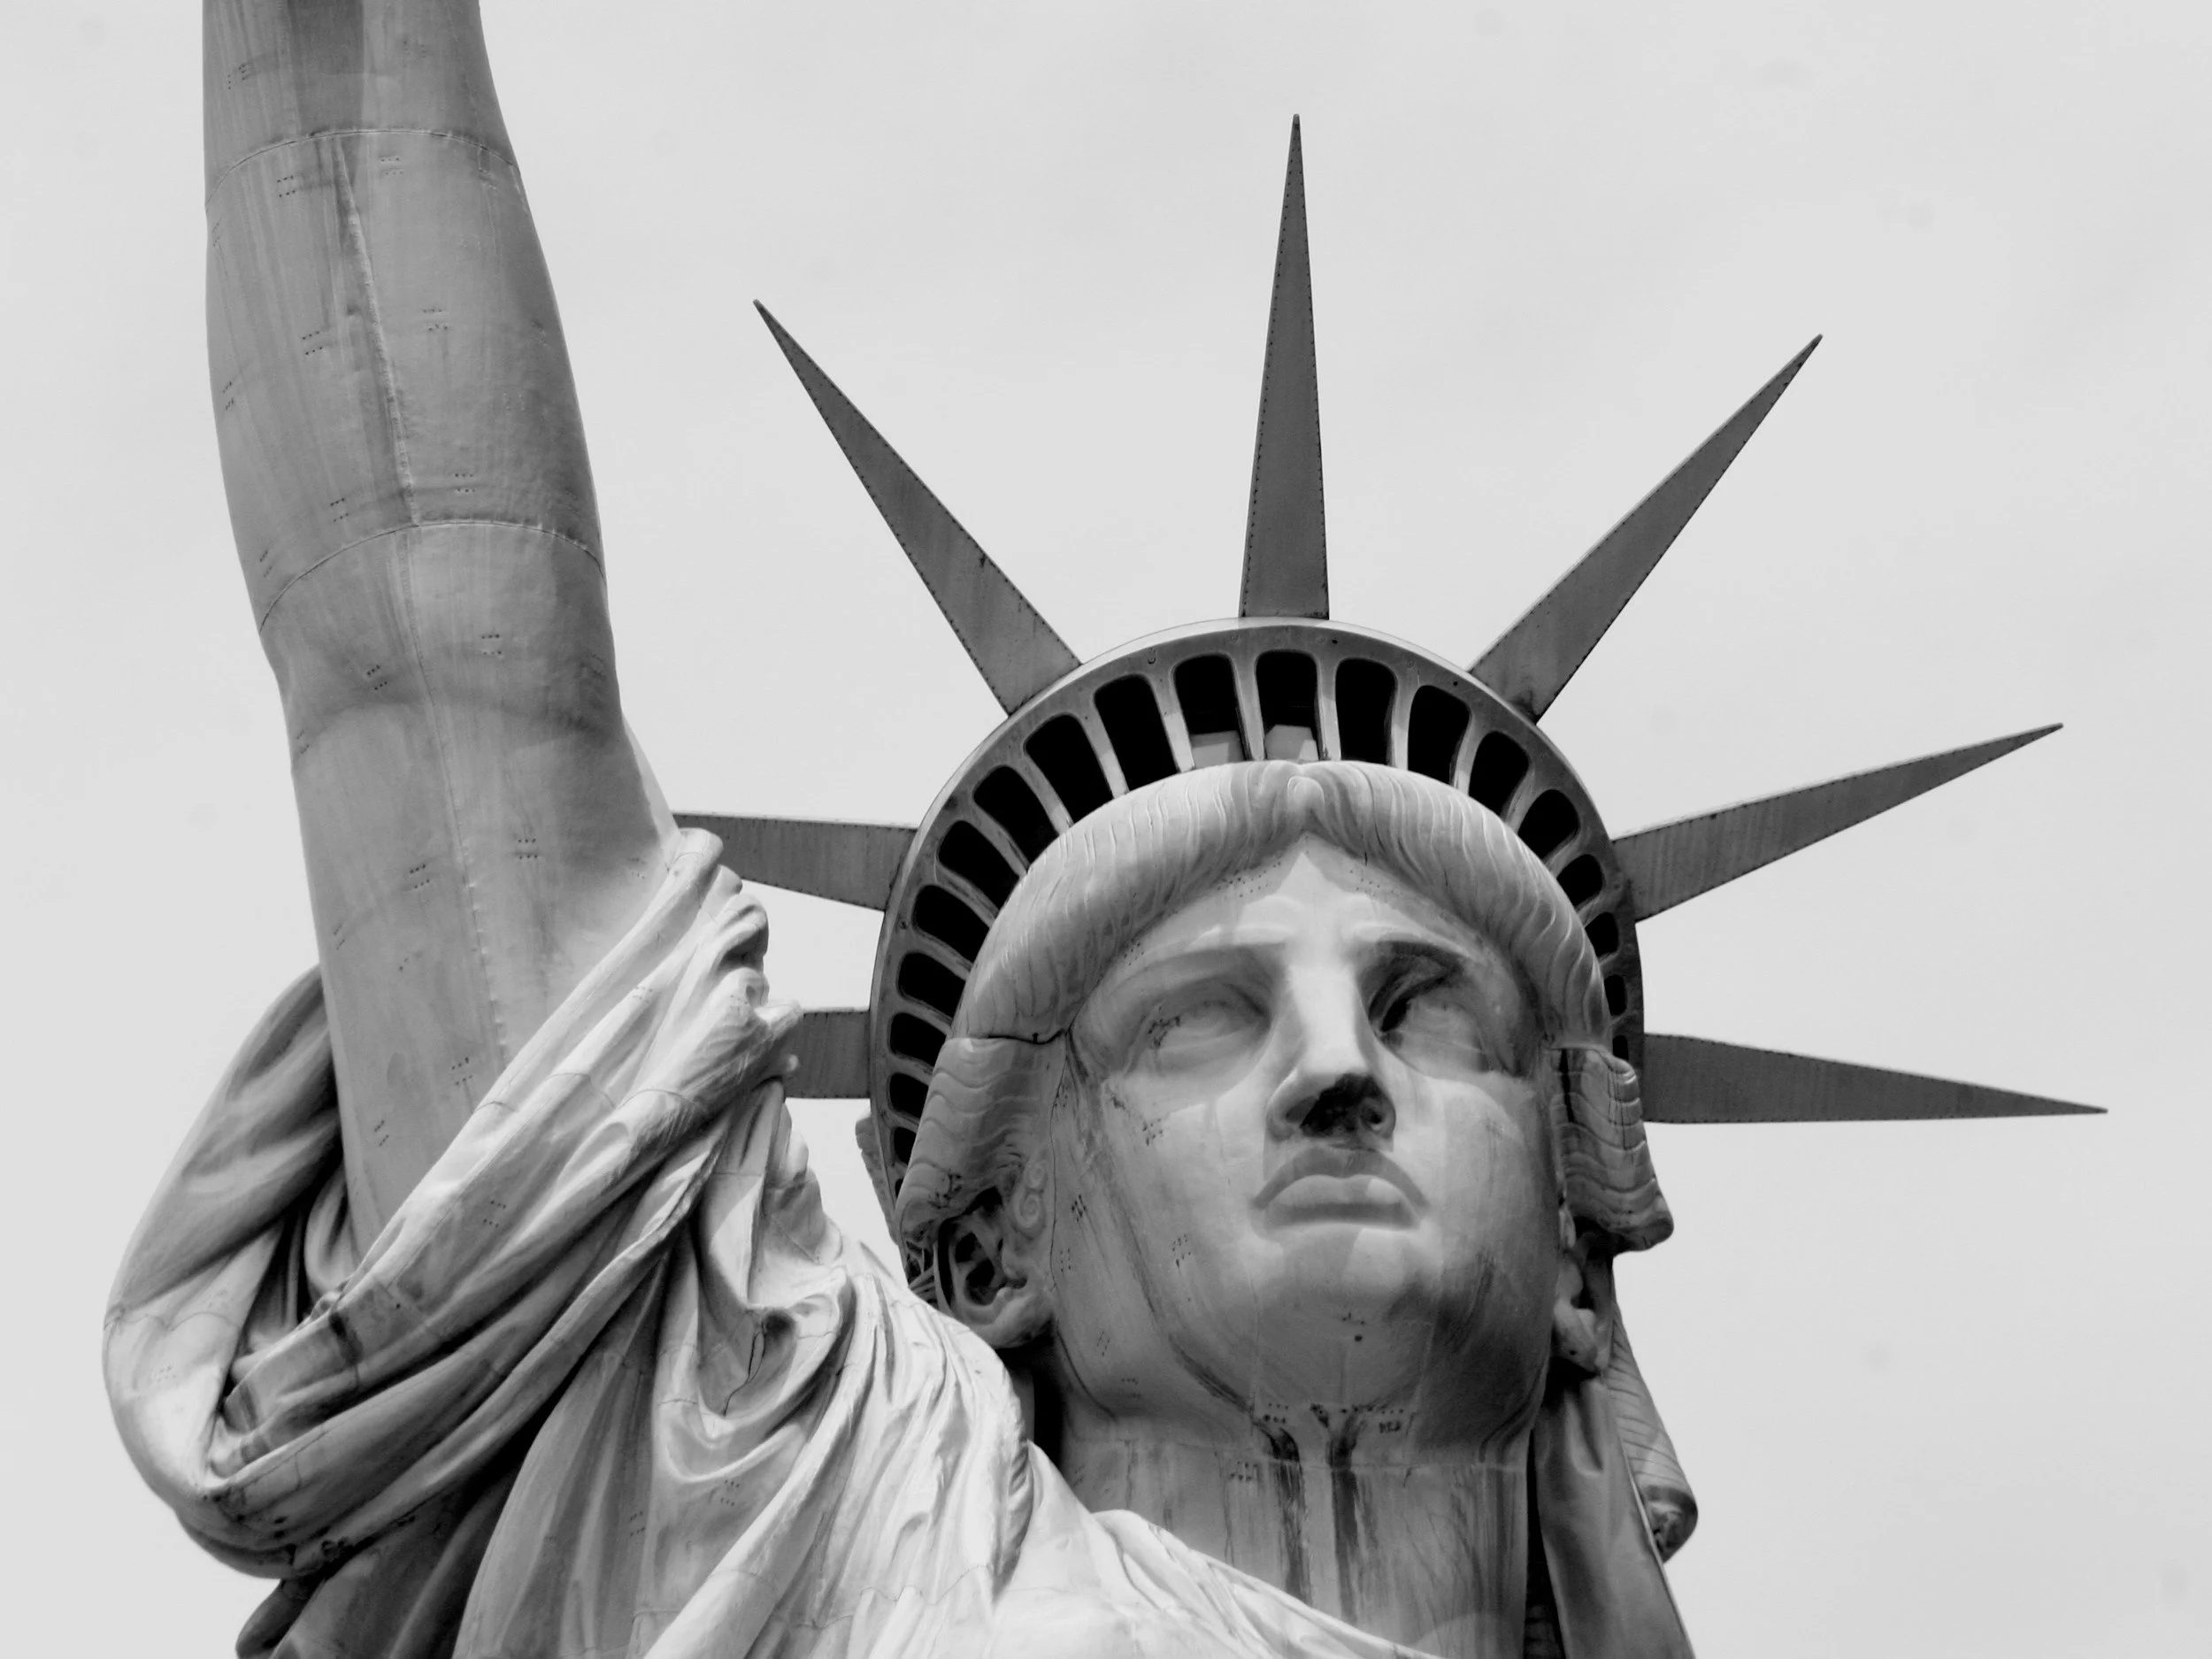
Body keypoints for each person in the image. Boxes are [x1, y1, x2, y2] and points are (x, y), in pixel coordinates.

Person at [106, 4, 1693, 1655]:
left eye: (1431, 1006)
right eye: (1197, 1018)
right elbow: (426, 657)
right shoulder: (783, 1527)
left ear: (1581, 1246)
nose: (1336, 1066)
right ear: (1000, 1240)